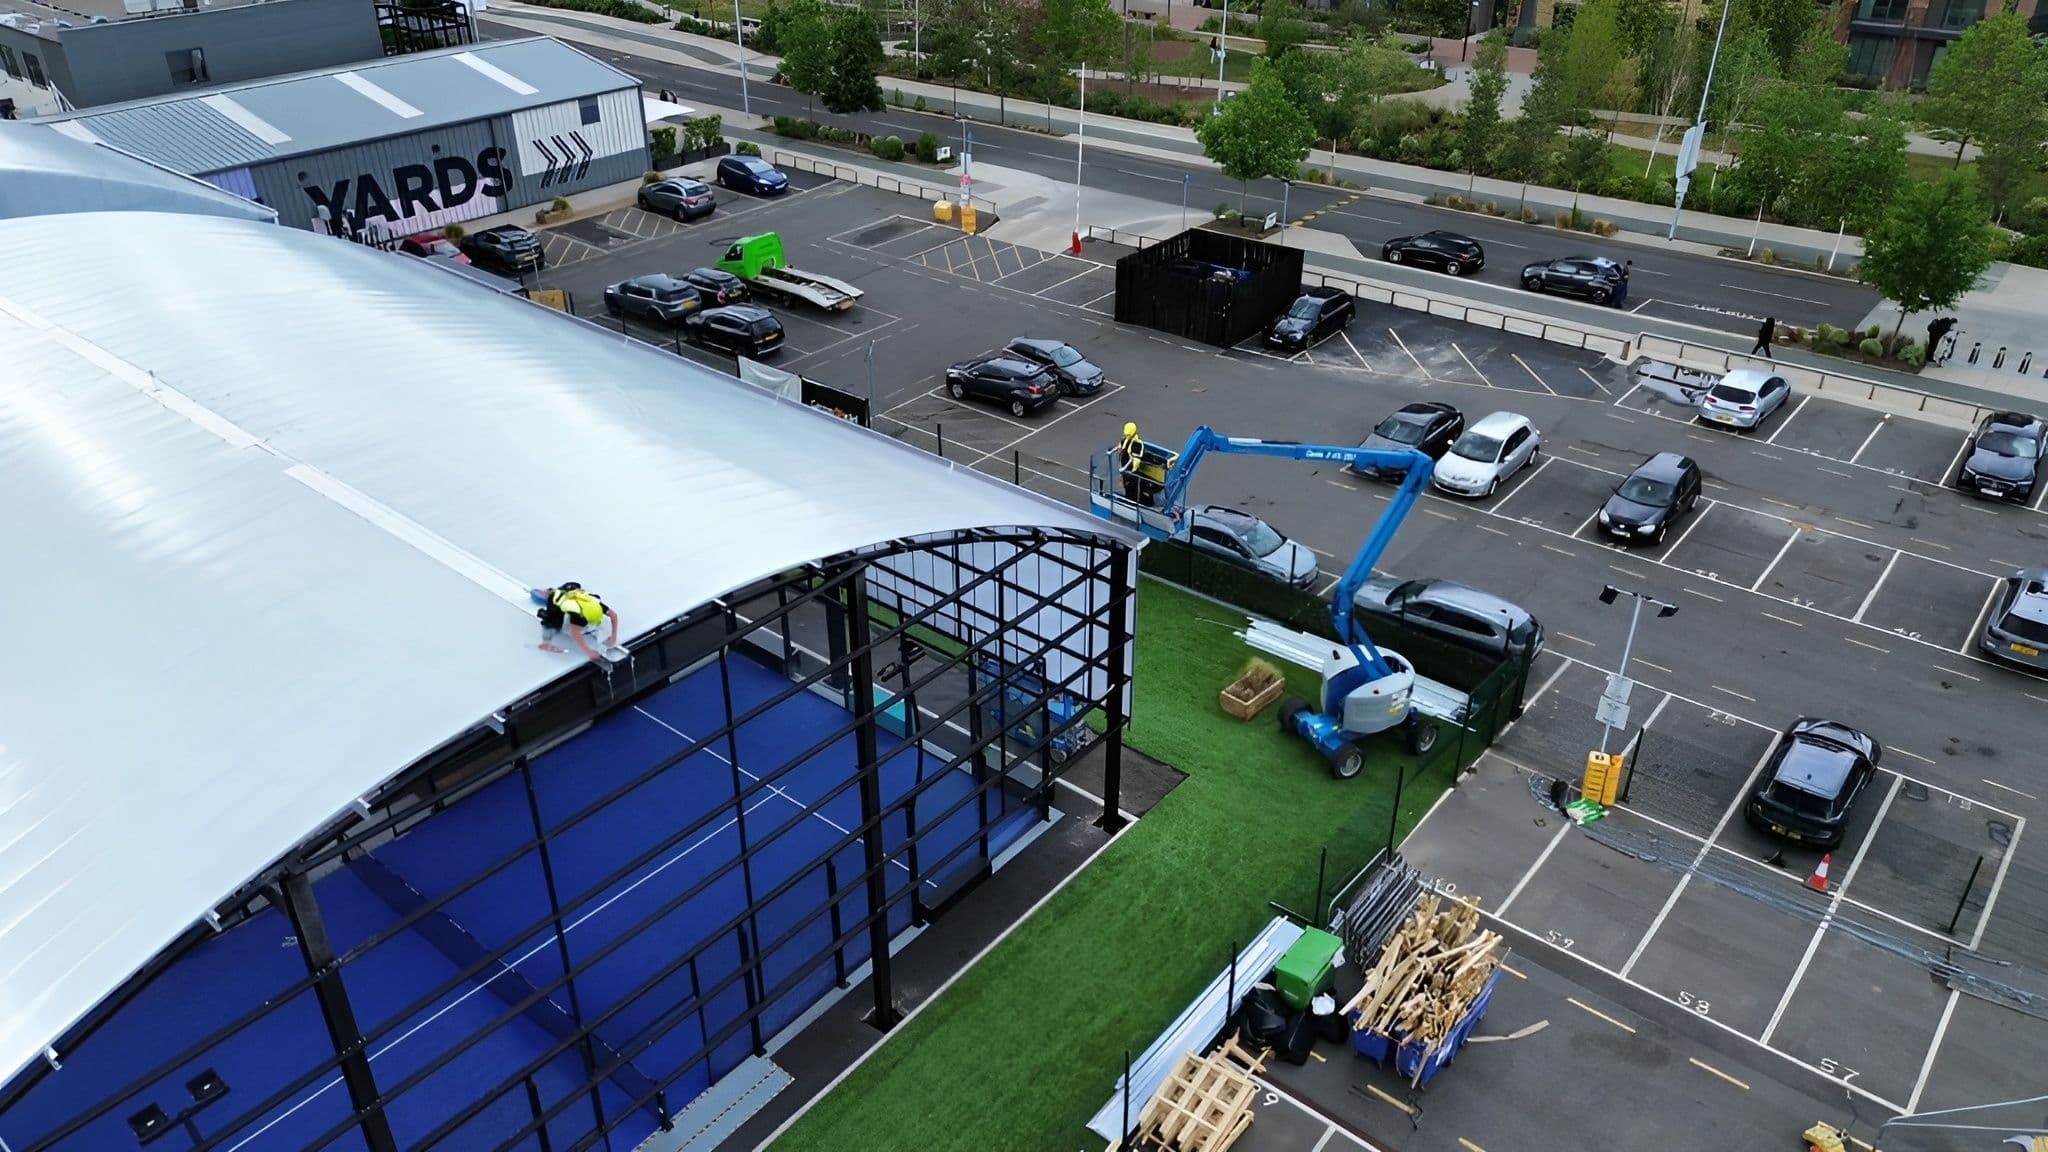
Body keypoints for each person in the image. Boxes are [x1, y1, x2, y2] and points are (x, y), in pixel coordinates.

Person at [536, 582, 621, 664]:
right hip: (556, 600)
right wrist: (589, 652)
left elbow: (614, 616)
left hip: (574, 593)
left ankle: (559, 590)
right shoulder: (578, 615)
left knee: (576, 588)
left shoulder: (596, 603)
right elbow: (574, 633)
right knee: (554, 623)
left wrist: (613, 637)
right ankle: (546, 601)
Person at [1116, 422, 1147, 502]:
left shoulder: (1129, 442)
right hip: (1129, 470)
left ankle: (1132, 502)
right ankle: (1131, 501)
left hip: (1130, 471)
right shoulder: (1134, 442)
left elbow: (1135, 459)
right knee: (1130, 488)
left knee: (1131, 488)